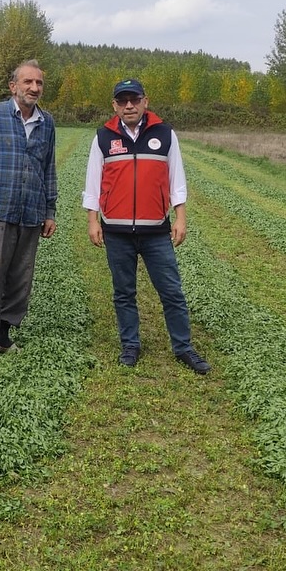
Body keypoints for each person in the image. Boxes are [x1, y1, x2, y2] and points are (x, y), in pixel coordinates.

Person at [82, 78, 211, 374]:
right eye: (123, 100)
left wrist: (180, 216)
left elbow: (176, 178)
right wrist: (92, 220)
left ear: (145, 101)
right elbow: (93, 181)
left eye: (134, 99)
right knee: (124, 292)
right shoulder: (103, 136)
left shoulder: (165, 134)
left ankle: (184, 347)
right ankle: (130, 344)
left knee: (172, 291)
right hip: (116, 231)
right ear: (115, 105)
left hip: (156, 231)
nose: (129, 105)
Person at [0, 60, 58, 373]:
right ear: (13, 86)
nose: (34, 88)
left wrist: (49, 210)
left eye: (39, 83)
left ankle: (2, 336)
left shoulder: (47, 123)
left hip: (30, 213)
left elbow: (49, 169)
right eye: (28, 82)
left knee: (21, 278)